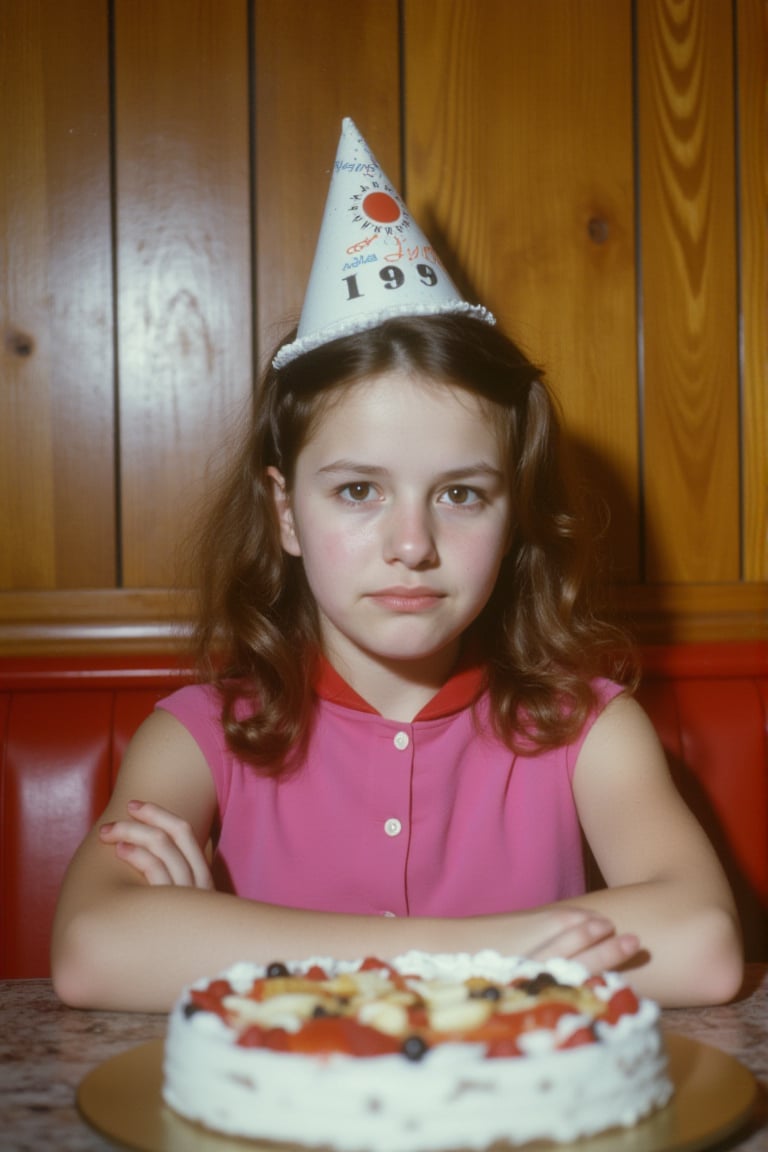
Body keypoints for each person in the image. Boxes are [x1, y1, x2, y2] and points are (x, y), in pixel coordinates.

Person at [51, 122, 743, 1014]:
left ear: (513, 515)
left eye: (460, 495)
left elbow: (707, 945)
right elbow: (92, 950)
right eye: (357, 492)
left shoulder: (587, 732)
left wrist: (223, 938)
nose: (411, 543)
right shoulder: (199, 737)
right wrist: (499, 951)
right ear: (283, 512)